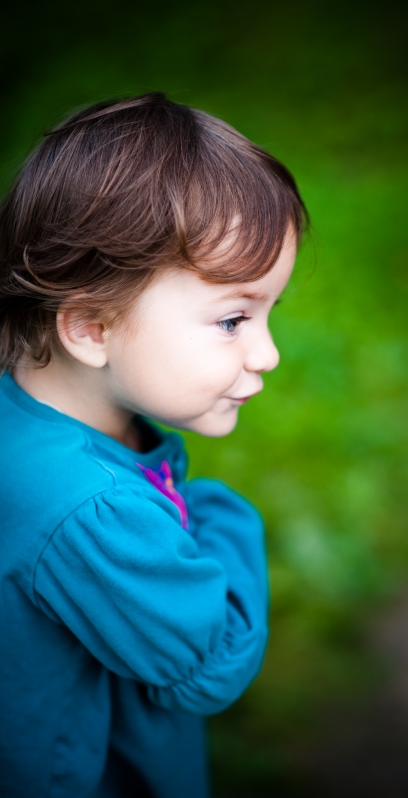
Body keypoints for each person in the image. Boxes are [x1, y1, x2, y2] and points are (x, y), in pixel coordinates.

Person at [0, 93, 307, 798]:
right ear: (91, 329)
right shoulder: (92, 513)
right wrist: (221, 516)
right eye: (233, 320)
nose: (267, 355)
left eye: (268, 313)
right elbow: (211, 663)